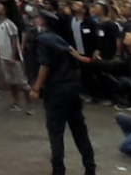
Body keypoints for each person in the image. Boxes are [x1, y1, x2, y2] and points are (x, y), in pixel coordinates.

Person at [30, 10, 96, 175]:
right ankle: (90, 167)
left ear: (43, 22)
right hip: (71, 88)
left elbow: (45, 65)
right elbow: (72, 51)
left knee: (56, 131)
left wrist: (36, 88)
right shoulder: (58, 37)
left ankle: (58, 169)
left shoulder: (43, 39)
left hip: (56, 90)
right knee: (79, 129)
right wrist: (82, 59)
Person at [73, 19, 131, 158]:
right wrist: (87, 61)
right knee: (121, 118)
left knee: (126, 147)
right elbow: (113, 67)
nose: (128, 33)